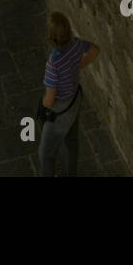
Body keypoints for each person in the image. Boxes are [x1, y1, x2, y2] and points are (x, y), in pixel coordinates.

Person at [37, 11, 99, 177]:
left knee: (45, 154)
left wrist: (42, 104)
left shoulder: (53, 65)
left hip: (60, 110)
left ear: (50, 37)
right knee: (70, 142)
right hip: (74, 100)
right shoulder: (76, 44)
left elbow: (50, 100)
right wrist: (77, 66)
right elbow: (94, 50)